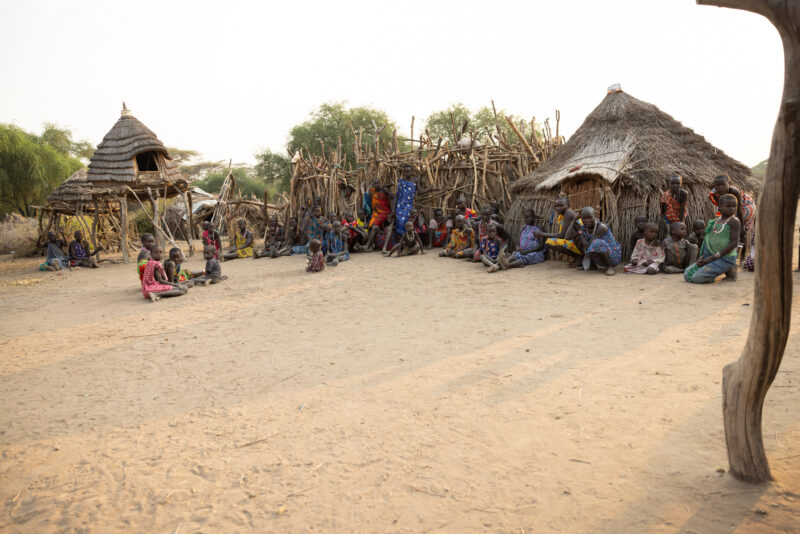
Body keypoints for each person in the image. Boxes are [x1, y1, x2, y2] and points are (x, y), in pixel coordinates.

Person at [685, 194, 741, 284]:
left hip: (724, 257)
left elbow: (734, 243)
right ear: (720, 207)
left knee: (696, 278)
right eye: (728, 206)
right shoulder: (715, 221)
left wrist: (714, 257)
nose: (732, 209)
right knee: (687, 275)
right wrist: (703, 257)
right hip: (709, 255)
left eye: (734, 206)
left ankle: (722, 269)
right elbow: (708, 240)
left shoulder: (734, 221)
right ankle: (710, 270)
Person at [573, 207, 622, 276]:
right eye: (584, 218)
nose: (587, 220)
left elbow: (587, 247)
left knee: (597, 243)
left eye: (590, 217)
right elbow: (567, 237)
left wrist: (580, 233)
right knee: (577, 240)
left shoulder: (601, 227)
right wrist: (574, 219)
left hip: (612, 257)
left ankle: (609, 267)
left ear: (595, 217)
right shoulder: (585, 227)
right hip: (599, 258)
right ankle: (592, 265)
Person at [365, 178, 393, 250]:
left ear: (379, 183)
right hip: (376, 213)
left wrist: (388, 191)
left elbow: (393, 197)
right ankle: (371, 246)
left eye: (377, 183)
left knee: (374, 225)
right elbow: (368, 191)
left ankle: (368, 245)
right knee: (370, 227)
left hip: (384, 213)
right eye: (374, 183)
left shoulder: (383, 190)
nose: (376, 185)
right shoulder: (373, 190)